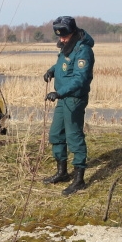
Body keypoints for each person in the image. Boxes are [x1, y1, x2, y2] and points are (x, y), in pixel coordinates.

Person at [42, 16, 95, 196]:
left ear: (72, 32)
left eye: (64, 36)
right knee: (56, 134)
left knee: (74, 137)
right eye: (59, 36)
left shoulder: (83, 50)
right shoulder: (68, 46)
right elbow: (63, 64)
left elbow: (80, 78)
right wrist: (52, 70)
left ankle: (79, 179)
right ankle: (62, 172)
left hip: (74, 99)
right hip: (63, 98)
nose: (61, 40)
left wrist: (60, 92)